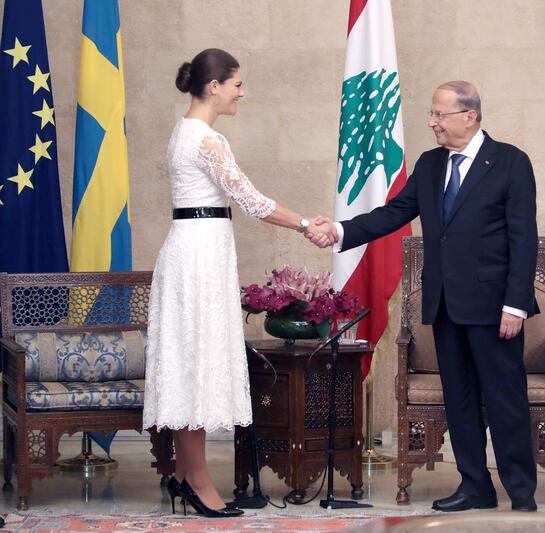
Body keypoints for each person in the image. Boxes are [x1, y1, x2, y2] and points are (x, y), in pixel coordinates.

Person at [311, 81, 539, 512]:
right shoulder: (431, 164)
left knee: (505, 399)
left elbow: (523, 238)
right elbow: (394, 214)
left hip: (495, 309)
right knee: (461, 399)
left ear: (468, 117)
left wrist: (516, 304)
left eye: (440, 114)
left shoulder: (510, 162)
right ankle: (476, 486)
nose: (432, 122)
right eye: (431, 115)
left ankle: (521, 491)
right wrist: (340, 231)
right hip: (446, 304)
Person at [142, 48, 333, 517]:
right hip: (198, 258)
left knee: (193, 362)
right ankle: (197, 480)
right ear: (214, 87)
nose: (241, 94)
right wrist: (308, 222)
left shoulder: (182, 132)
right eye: (237, 84)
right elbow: (253, 201)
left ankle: (187, 476)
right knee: (198, 362)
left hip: (194, 249)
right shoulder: (208, 140)